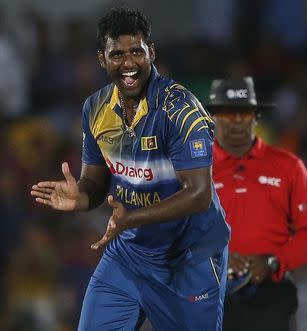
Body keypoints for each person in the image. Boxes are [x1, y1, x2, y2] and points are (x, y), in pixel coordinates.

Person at [30, 7, 230, 331]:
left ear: (151, 52)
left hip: (188, 260)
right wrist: (80, 196)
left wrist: (130, 219)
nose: (128, 63)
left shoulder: (179, 109)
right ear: (101, 58)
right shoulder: (94, 109)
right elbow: (95, 183)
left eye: (137, 51)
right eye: (117, 54)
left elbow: (199, 195)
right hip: (129, 256)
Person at [207, 77, 307, 331]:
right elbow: (171, 235)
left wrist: (272, 262)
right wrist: (214, 261)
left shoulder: (288, 166)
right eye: (228, 114)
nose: (237, 121)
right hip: (207, 295)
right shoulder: (194, 170)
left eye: (244, 113)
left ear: (255, 117)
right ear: (213, 117)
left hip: (271, 297)